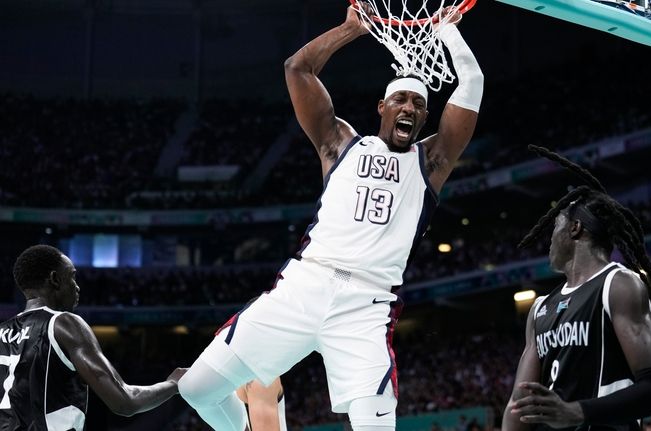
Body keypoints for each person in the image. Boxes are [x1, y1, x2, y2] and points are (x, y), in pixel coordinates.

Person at [178, 4, 483, 431]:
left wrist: (448, 33)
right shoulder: (339, 143)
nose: (409, 107)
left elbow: (472, 83)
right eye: (400, 99)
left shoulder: (431, 161)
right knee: (196, 389)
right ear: (382, 106)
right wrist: (349, 29)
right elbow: (297, 69)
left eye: (418, 102)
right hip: (305, 286)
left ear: (425, 116)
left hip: (367, 305)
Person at [501, 146, 651, 431]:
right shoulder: (540, 308)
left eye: (556, 225)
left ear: (575, 228)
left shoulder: (618, 285)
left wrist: (578, 412)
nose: (550, 238)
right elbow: (519, 404)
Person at [0, 244, 185, 430]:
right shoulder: (64, 324)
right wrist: (173, 384)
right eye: (72, 277)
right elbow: (125, 402)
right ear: (55, 279)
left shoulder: (1, 331)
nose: (77, 287)